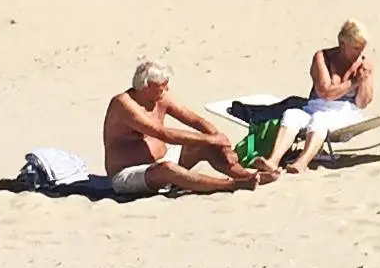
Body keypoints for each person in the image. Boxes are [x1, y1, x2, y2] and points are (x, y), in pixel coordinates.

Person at [100, 59, 270, 196]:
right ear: (147, 87)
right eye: (163, 85)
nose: (167, 88)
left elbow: (196, 120)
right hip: (129, 174)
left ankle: (247, 176)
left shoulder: (160, 97)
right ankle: (231, 185)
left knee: (205, 146)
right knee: (167, 168)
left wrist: (222, 145)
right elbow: (162, 134)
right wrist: (211, 139)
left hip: (164, 159)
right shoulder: (123, 105)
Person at [275, 21, 379, 174]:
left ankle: (302, 161)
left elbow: (363, 103)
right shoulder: (323, 57)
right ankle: (273, 160)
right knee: (291, 115)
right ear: (342, 44)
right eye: (355, 48)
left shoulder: (364, 63)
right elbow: (325, 93)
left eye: (361, 49)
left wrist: (363, 82)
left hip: (345, 112)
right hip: (315, 106)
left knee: (320, 119)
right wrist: (353, 82)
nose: (359, 53)